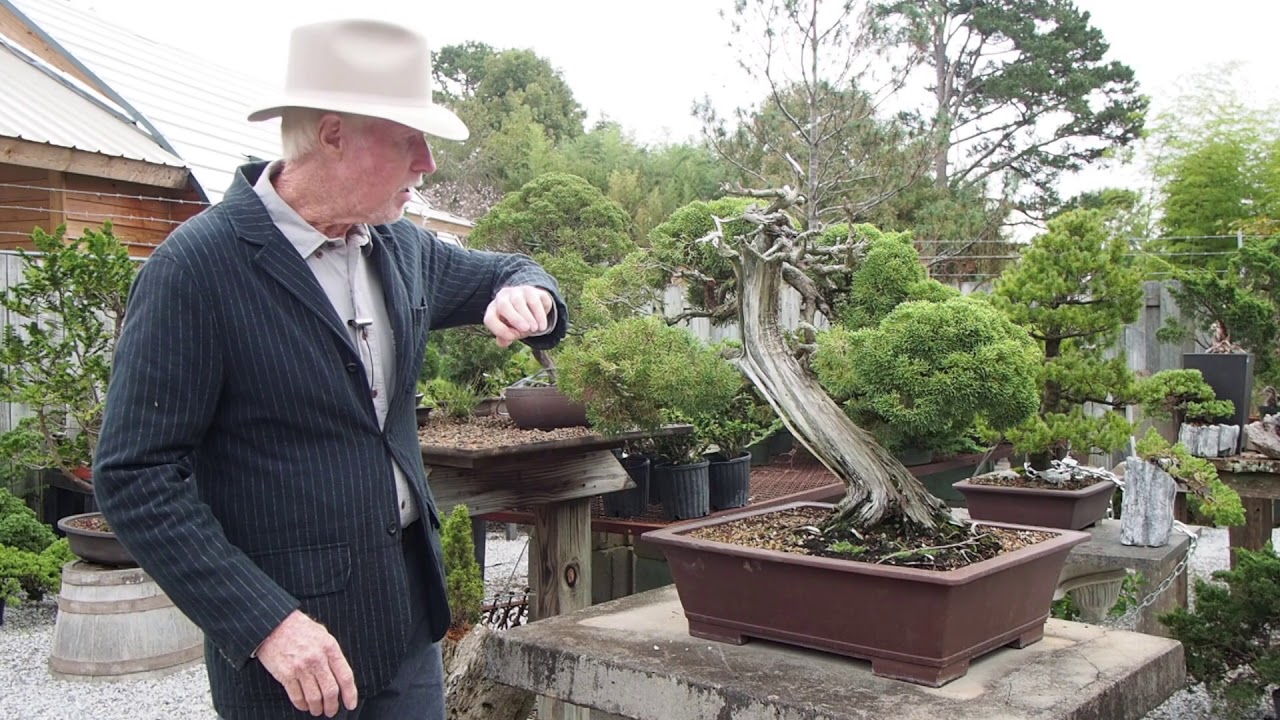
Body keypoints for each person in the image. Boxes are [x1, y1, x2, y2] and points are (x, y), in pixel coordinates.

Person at [93, 17, 567, 720]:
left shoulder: (402, 248)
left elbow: (510, 270)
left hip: (407, 626)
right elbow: (134, 477)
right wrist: (264, 624)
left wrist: (532, 296)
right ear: (334, 132)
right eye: (409, 138)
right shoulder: (196, 270)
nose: (427, 163)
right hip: (291, 659)